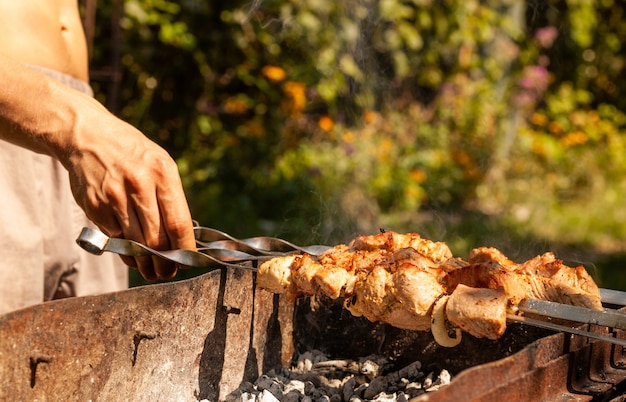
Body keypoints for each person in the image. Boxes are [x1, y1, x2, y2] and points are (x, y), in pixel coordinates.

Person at [0, 1, 197, 314]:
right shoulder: (77, 127)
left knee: (97, 358)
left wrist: (81, 126)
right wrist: (77, 127)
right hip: (19, 122)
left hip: (75, 136)